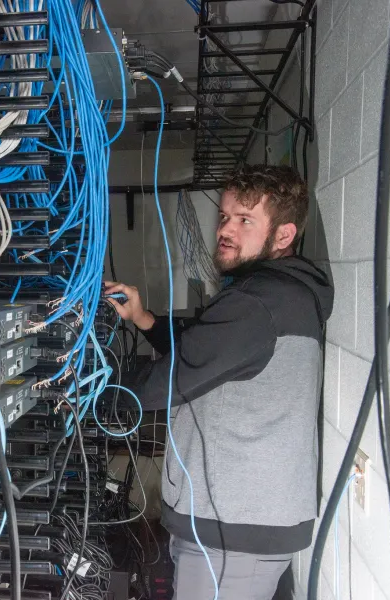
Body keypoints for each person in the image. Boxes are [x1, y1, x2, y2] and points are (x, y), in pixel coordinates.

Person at [105, 164, 333, 600]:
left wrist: (78, 381)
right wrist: (144, 319)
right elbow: (208, 350)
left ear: (283, 235)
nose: (226, 230)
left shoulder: (260, 303)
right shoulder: (273, 295)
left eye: (245, 220)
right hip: (239, 526)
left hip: (235, 535)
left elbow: (166, 381)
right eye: (225, 217)